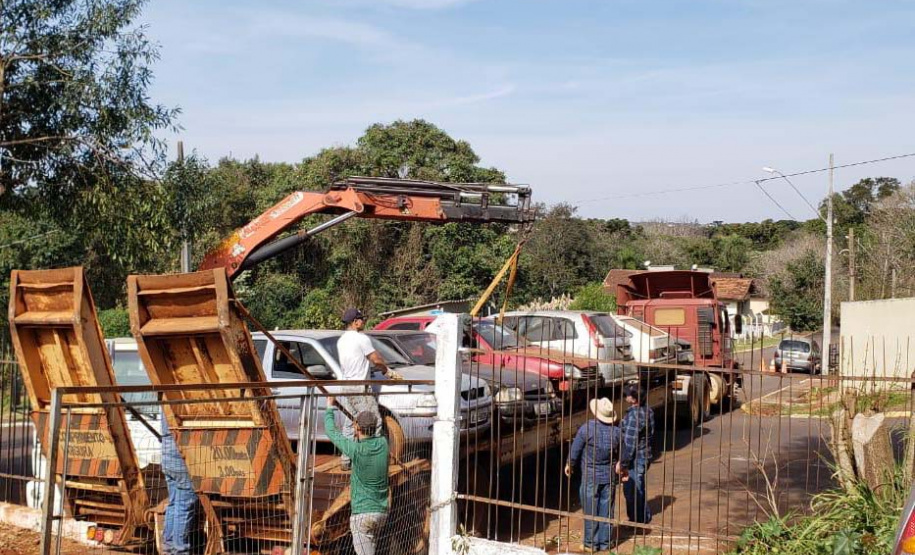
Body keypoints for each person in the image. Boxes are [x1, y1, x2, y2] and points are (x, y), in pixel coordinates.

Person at [336, 308, 399, 469]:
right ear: (355, 322)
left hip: (347, 386)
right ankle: (373, 460)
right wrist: (387, 371)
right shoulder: (361, 338)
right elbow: (376, 359)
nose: (363, 321)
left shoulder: (341, 340)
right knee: (373, 421)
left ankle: (346, 460)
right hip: (360, 387)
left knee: (350, 422)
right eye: (361, 319)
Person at [325, 400, 390, 555]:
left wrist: (329, 407)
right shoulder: (383, 444)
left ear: (357, 428)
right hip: (381, 512)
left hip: (362, 515)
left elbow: (331, 431)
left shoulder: (356, 450)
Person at [565, 398, 622, 552]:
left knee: (590, 510)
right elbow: (623, 453)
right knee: (607, 510)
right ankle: (605, 542)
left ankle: (590, 543)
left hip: (590, 475)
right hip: (608, 476)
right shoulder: (616, 432)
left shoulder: (587, 429)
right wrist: (621, 464)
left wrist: (570, 463)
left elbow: (576, 449)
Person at [616, 384, 655, 525]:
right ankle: (641, 516)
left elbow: (629, 443)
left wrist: (623, 463)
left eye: (627, 395)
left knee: (632, 490)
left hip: (635, 458)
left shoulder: (634, 416)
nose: (625, 397)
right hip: (644, 454)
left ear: (633, 399)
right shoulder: (648, 410)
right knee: (638, 488)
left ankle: (637, 520)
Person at [160, 410, 197, 555]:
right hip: (180, 455)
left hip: (167, 455)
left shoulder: (164, 404)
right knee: (184, 506)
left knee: (174, 503)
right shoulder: (181, 403)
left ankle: (168, 547)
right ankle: (179, 550)